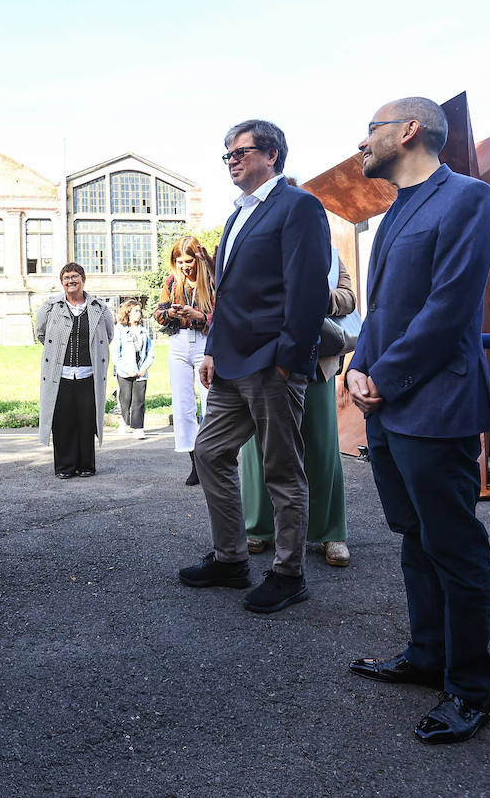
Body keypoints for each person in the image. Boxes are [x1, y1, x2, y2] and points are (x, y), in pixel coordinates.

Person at [344, 97, 490, 744]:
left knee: (454, 546)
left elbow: (448, 307)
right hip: (389, 401)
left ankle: (470, 687)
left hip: (436, 402)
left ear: (407, 131)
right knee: (413, 536)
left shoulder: (469, 197)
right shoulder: (393, 210)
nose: (362, 144)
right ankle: (425, 654)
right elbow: (383, 311)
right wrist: (357, 363)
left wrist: (385, 374)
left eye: (370, 131)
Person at [177, 119, 330, 615]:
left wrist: (289, 363)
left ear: (272, 155)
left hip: (272, 364)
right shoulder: (238, 213)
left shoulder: (299, 206)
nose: (232, 161)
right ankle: (231, 558)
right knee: (209, 452)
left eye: (241, 152)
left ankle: (288, 573)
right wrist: (213, 350)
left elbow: (307, 292)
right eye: (227, 155)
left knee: (281, 470)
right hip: (230, 364)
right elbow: (228, 295)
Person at [244, 244, 356, 567]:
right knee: (257, 445)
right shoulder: (258, 246)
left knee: (322, 446)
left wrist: (323, 297)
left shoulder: (329, 254)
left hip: (315, 358)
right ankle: (259, 526)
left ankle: (330, 532)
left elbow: (348, 298)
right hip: (263, 356)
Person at [36, 263, 114, 479]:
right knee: (62, 422)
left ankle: (86, 465)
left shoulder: (99, 308)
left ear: (83, 279)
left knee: (86, 420)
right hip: (60, 376)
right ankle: (64, 467)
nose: (71, 280)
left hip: (88, 374)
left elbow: (108, 336)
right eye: (66, 277)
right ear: (62, 282)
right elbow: (41, 333)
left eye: (75, 276)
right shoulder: (51, 307)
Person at [155, 237, 216, 485]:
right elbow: (158, 313)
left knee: (209, 401)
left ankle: (211, 459)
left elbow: (222, 314)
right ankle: (195, 463)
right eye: (179, 262)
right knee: (182, 404)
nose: (184, 266)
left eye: (188, 261)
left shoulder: (210, 280)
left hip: (204, 342)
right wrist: (169, 313)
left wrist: (200, 316)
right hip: (179, 342)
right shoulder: (172, 282)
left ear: (197, 259)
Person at [111, 300, 154, 439]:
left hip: (141, 371)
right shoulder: (119, 330)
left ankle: (138, 427)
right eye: (136, 311)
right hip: (125, 372)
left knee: (139, 400)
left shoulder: (144, 331)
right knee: (126, 399)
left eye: (140, 311)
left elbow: (150, 352)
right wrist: (126, 369)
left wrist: (144, 367)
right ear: (128, 312)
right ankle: (125, 421)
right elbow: (116, 354)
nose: (139, 314)